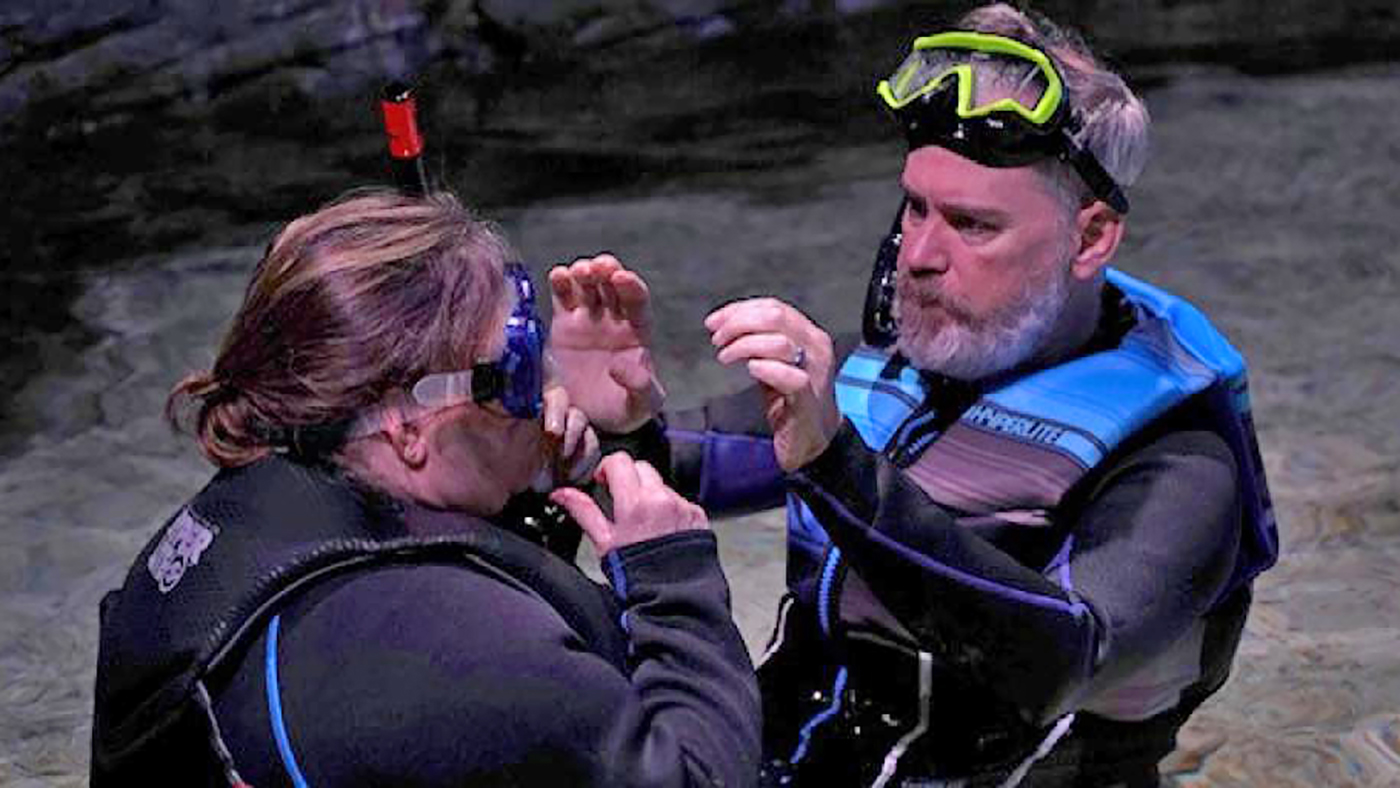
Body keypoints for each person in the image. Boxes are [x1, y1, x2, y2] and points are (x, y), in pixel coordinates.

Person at [565, 4, 1279, 786]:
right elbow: (682, 472)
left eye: (973, 224)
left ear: (1090, 236)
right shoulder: (887, 368)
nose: (921, 255)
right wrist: (619, 422)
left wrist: (834, 463)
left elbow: (1062, 661)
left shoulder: (1179, 460)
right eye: (916, 207)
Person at [89, 189, 761, 787]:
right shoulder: (449, 650)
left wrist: (599, 449)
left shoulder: (271, 503)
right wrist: (674, 582)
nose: (549, 391)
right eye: (519, 372)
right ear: (408, 426)